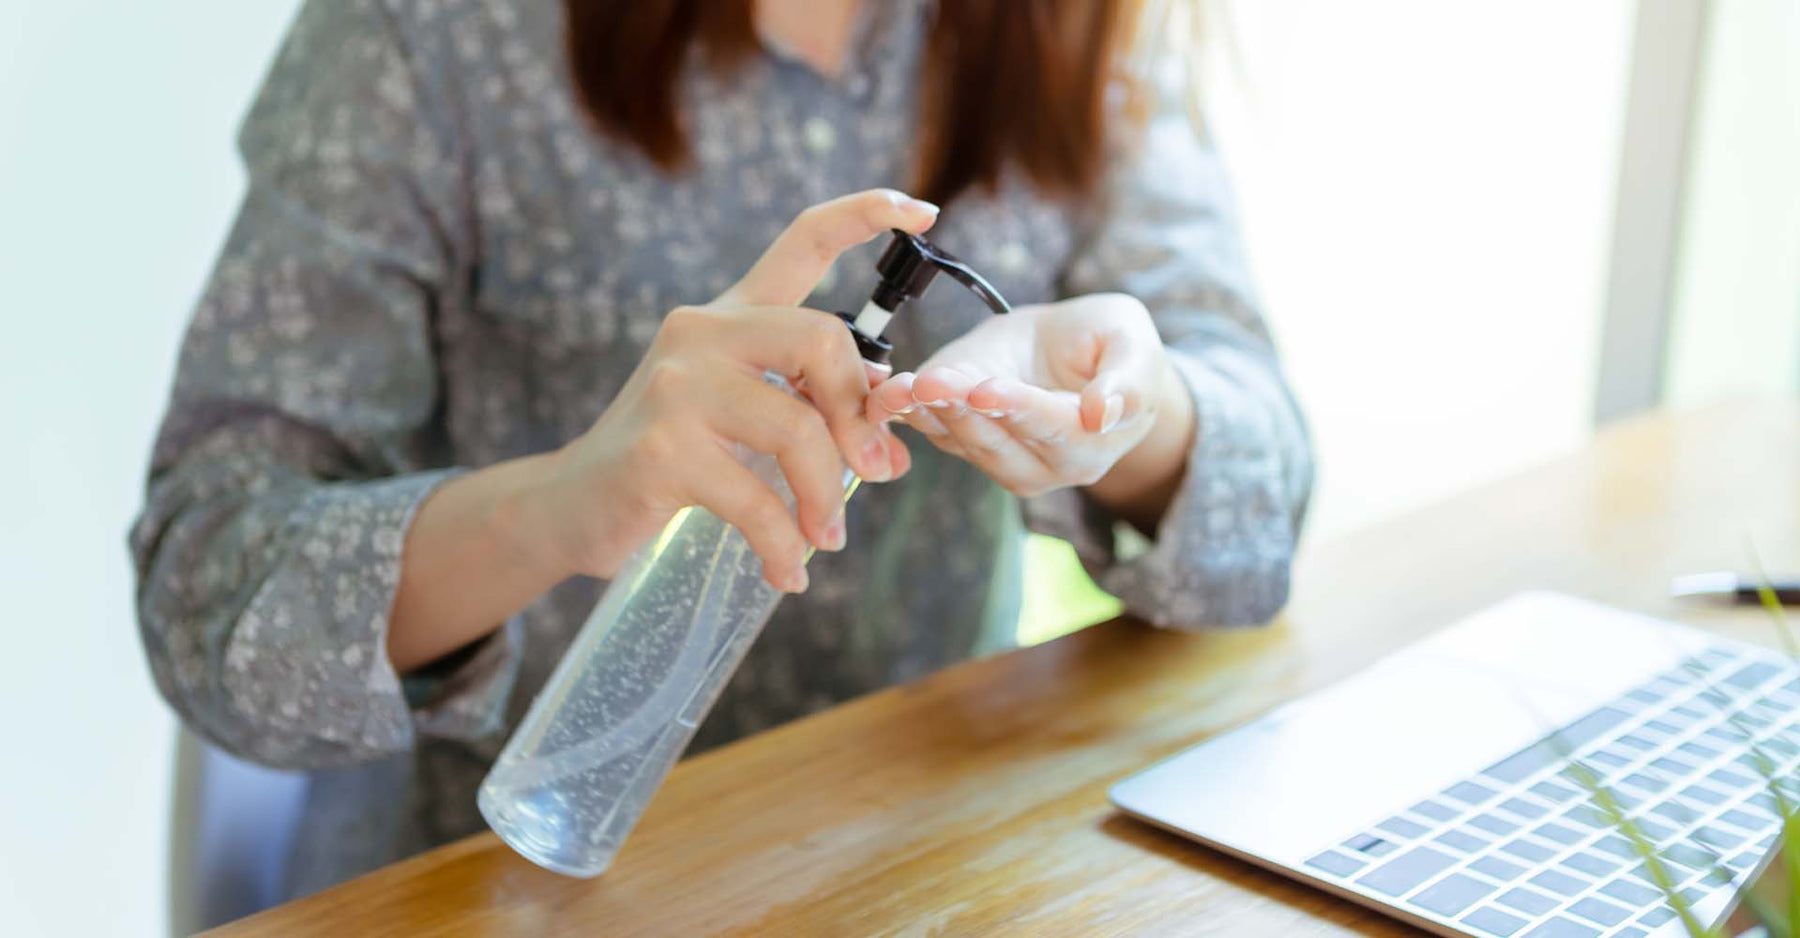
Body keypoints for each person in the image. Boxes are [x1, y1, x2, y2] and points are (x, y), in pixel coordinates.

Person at [132, 0, 1312, 905]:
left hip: (914, 874)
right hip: (520, 883)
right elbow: (206, 585)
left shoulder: (1083, 27)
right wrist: (563, 502)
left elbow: (1264, 497)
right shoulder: (431, 36)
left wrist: (1129, 411)